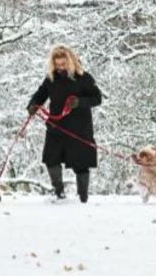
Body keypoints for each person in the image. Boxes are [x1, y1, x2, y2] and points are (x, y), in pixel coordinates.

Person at [26, 44, 103, 203]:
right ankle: (59, 193)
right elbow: (41, 94)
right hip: (56, 127)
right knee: (51, 159)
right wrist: (33, 105)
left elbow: (97, 98)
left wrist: (79, 102)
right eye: (57, 64)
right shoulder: (51, 79)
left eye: (63, 64)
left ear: (70, 61)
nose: (60, 67)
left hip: (79, 128)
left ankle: (83, 197)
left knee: (81, 163)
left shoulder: (84, 78)